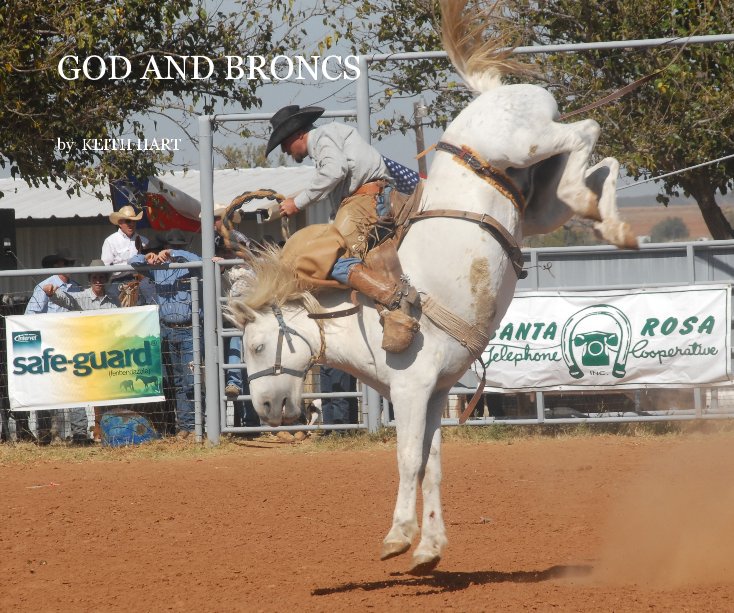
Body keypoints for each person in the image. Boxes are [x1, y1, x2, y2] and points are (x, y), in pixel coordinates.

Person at [266, 104, 418, 352]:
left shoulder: (323, 138)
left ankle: (394, 300)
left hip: (363, 201)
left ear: (298, 135)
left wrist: (299, 202)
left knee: (330, 259)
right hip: (367, 199)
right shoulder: (332, 136)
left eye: (283, 143)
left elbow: (335, 171)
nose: (283, 150)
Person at [129, 229, 201, 437]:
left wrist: (174, 254)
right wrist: (147, 256)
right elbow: (133, 262)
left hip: (190, 329)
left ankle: (198, 426)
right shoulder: (157, 269)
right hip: (168, 330)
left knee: (192, 379)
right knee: (178, 381)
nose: (174, 250)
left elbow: (199, 260)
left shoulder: (189, 265)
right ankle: (186, 427)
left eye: (178, 247)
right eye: (171, 246)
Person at [23, 249, 87, 443]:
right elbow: (30, 316)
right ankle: (44, 433)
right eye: (65, 262)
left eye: (71, 262)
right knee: (45, 386)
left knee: (76, 385)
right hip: (49, 343)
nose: (69, 266)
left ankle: (80, 432)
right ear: (57, 264)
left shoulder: (76, 287)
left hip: (71, 342)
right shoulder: (44, 286)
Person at [101, 205, 149, 305]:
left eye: (134, 221)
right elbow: (105, 268)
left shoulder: (144, 241)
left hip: (139, 283)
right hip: (117, 283)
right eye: (128, 221)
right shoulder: (110, 241)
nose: (131, 224)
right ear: (120, 223)